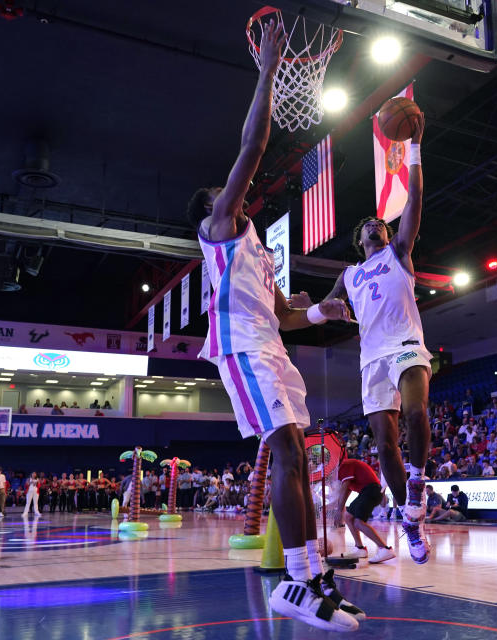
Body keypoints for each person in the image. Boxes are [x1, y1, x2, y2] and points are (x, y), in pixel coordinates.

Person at [185, 21, 357, 631]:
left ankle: (315, 576)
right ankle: (295, 579)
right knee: (283, 448)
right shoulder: (220, 231)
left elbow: (285, 312)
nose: (230, 190)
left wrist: (321, 312)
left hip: (272, 346)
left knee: (296, 453)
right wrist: (267, 70)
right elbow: (252, 150)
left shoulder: (255, 247)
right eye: (222, 190)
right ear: (213, 209)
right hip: (241, 350)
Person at [319, 107, 431, 566]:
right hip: (371, 358)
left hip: (405, 344)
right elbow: (325, 307)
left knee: (418, 409)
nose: (375, 224)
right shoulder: (349, 273)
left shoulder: (399, 252)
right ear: (358, 238)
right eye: (369, 225)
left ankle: (419, 480)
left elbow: (416, 201)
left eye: (380, 223)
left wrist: (416, 147)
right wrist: (326, 308)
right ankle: (410, 519)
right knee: (385, 445)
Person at [332, 457, 396, 564]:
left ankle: (385, 549)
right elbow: (347, 490)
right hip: (368, 491)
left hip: (371, 490)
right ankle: (360, 548)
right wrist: (340, 509)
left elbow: (345, 486)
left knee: (358, 522)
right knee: (348, 516)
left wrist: (339, 510)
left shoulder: (345, 465)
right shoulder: (345, 469)